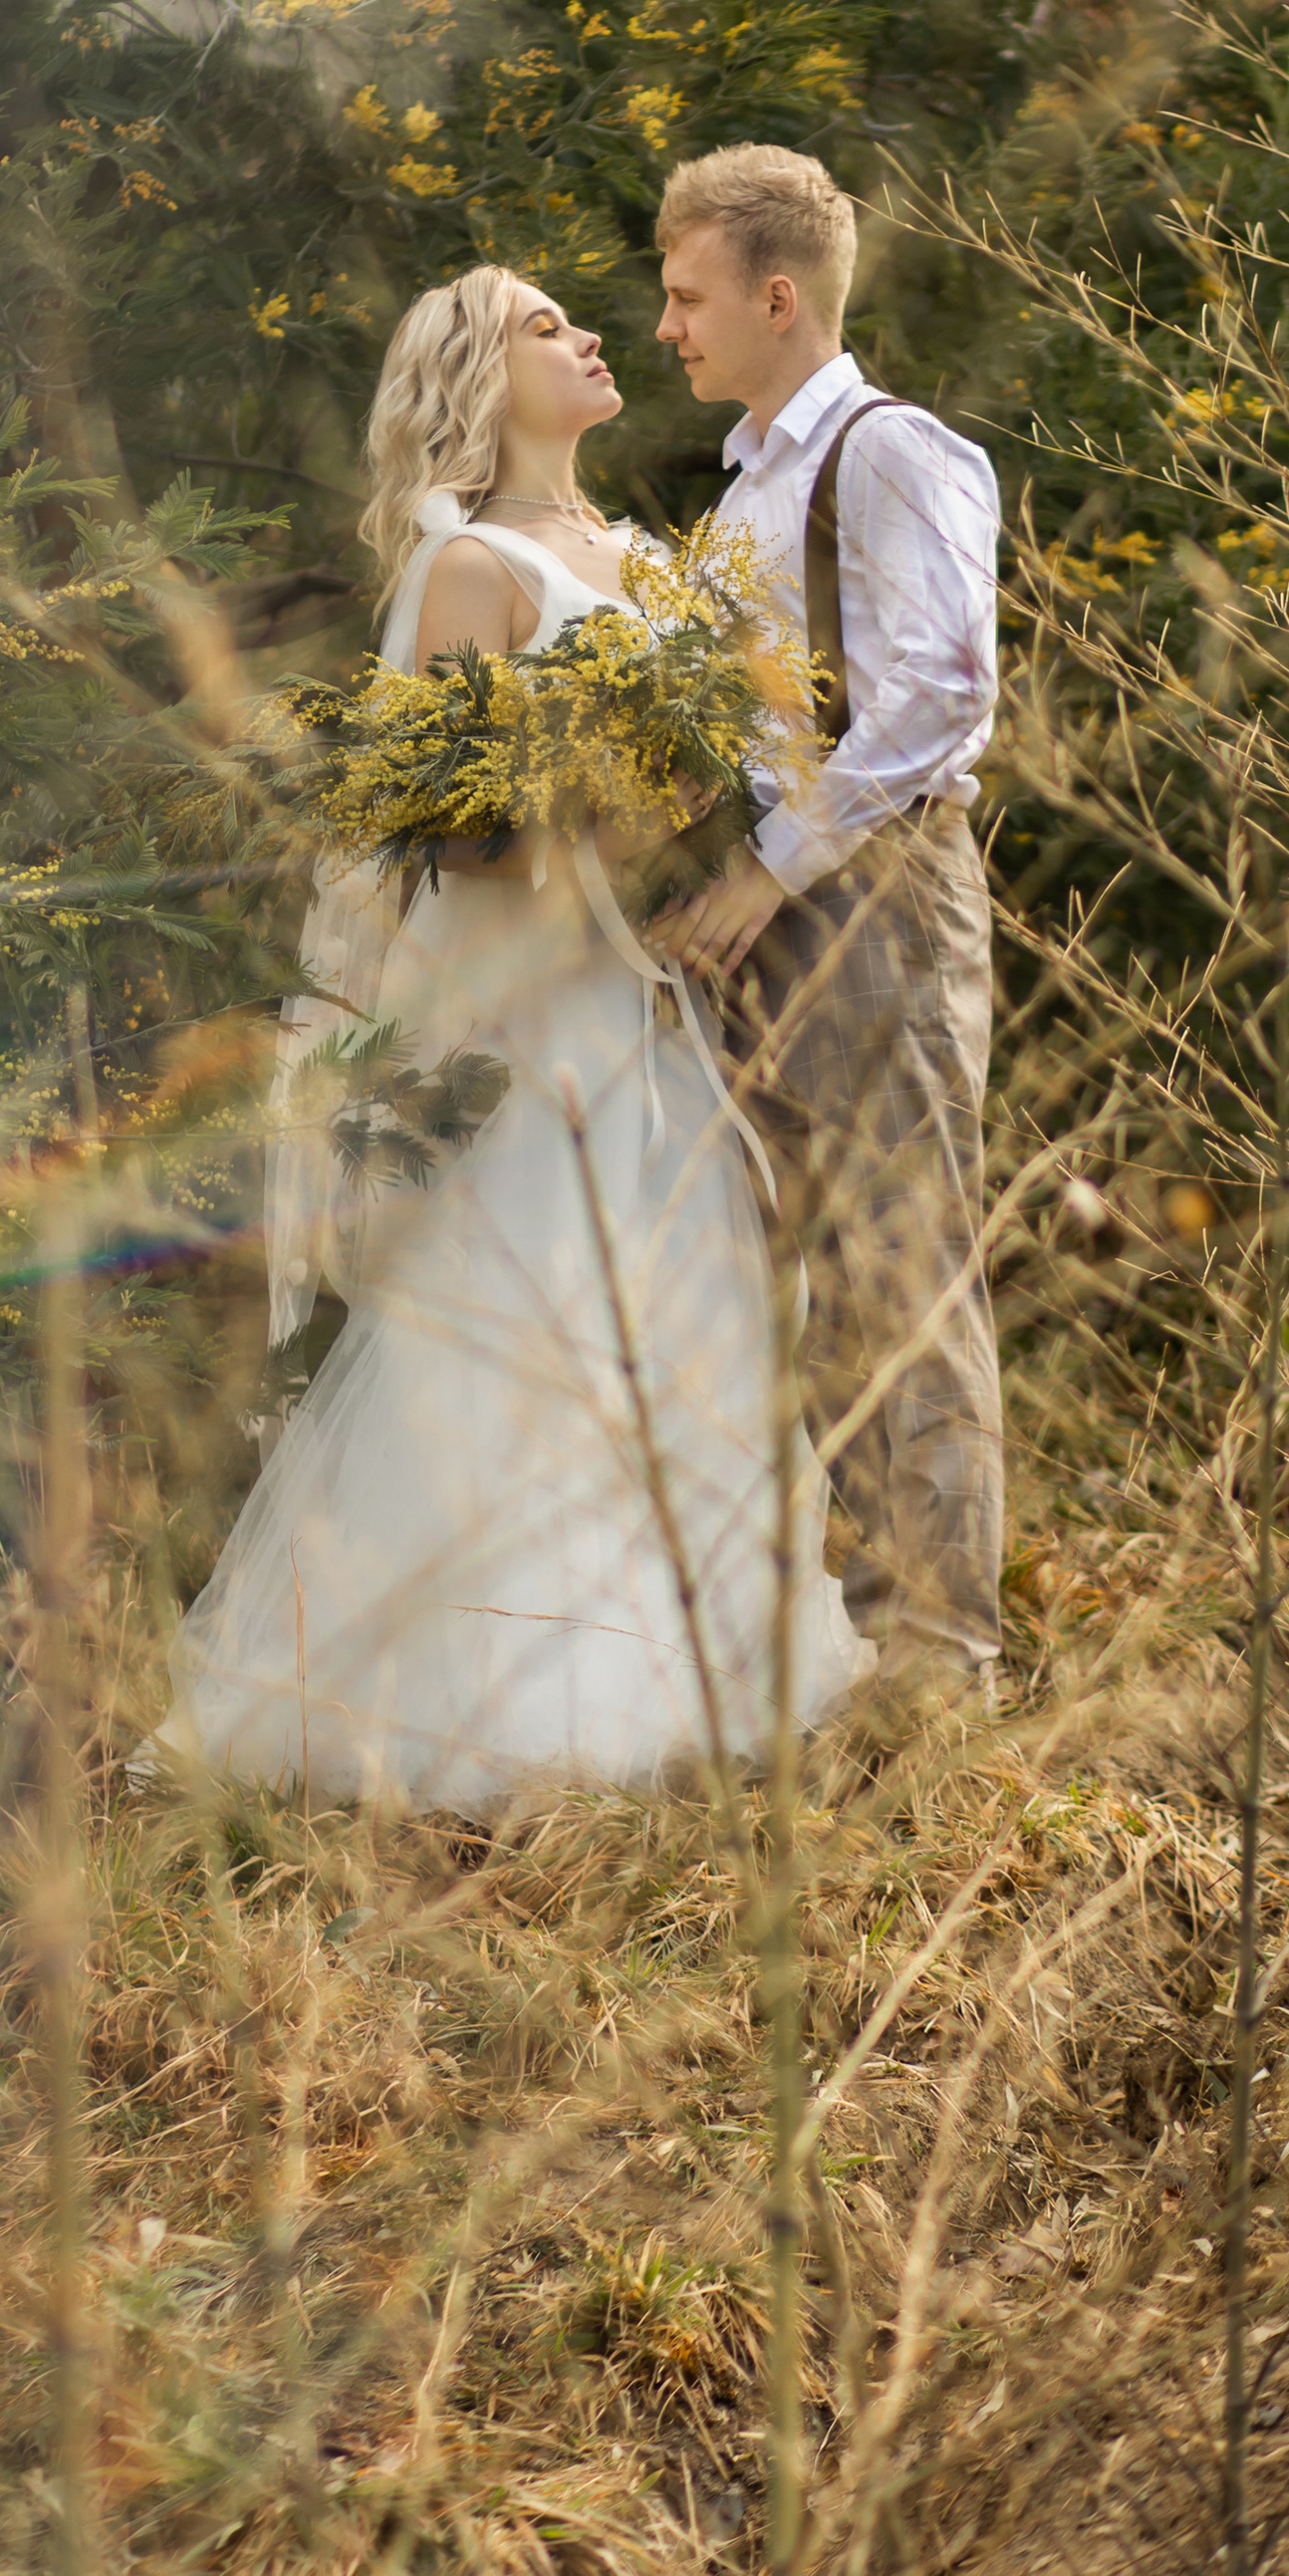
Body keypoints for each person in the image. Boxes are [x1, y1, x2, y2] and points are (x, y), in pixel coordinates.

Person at [151, 267, 867, 1810]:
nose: (594, 335)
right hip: (513, 1014)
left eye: (579, 319)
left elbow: (709, 781)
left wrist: (668, 802)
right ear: (477, 377)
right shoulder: (466, 569)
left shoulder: (643, 561)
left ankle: (677, 1690)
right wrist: (593, 810)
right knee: (521, 1334)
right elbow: (446, 835)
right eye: (547, 326)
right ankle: (494, 1711)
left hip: (623, 1000)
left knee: (661, 1328)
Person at [649, 146, 1004, 1730]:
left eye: (687, 295)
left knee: (904, 1275)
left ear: (775, 295)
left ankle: (946, 1673)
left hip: (875, 901)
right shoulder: (748, 483)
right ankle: (869, 1640)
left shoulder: (886, 450)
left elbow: (942, 693)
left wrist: (774, 868)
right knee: (809, 1287)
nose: (667, 326)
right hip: (775, 912)